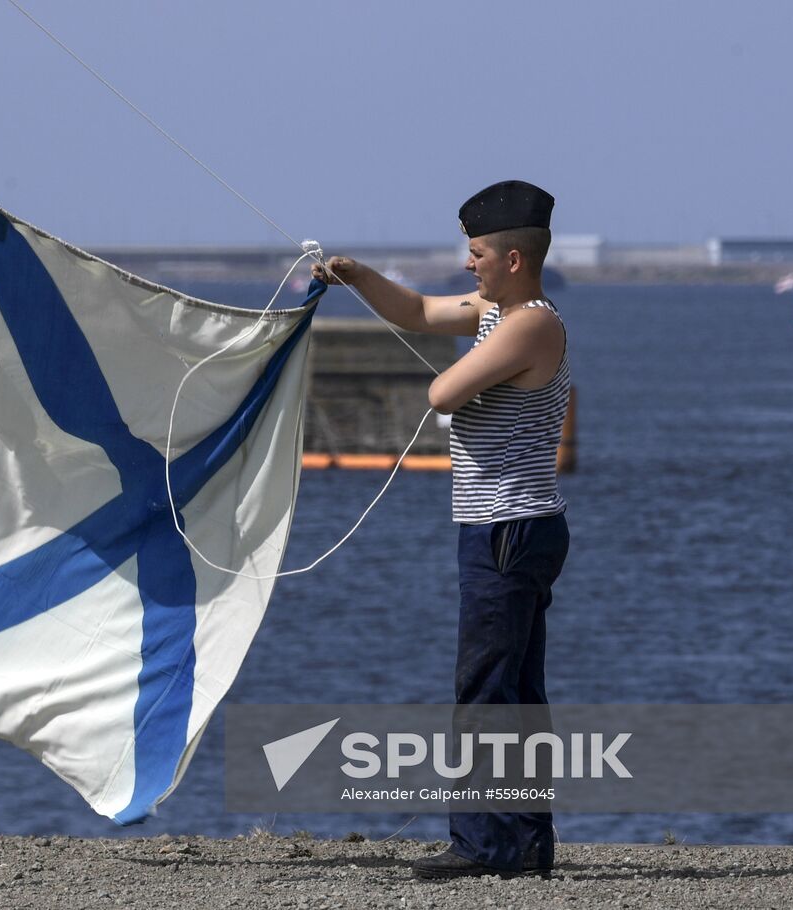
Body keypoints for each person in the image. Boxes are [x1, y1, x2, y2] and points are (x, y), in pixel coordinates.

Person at [311, 180, 571, 880]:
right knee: (513, 687)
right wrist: (360, 276)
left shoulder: (531, 323)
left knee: (486, 689)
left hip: (509, 530)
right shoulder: (496, 310)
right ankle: (524, 841)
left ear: (514, 260)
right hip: (504, 528)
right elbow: (422, 312)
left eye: (478, 252)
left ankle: (486, 845)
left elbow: (442, 393)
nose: (469, 264)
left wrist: (456, 374)